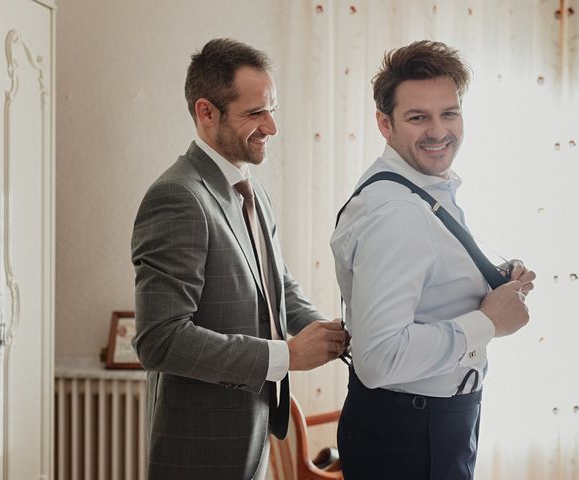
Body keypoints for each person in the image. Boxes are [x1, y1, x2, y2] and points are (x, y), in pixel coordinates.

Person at [131, 38, 347, 480]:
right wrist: (285, 355)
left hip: (253, 438)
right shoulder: (177, 197)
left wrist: (337, 333)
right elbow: (161, 340)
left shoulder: (253, 191)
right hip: (200, 452)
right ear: (206, 112)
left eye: (273, 110)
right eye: (254, 113)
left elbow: (278, 289)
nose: (271, 126)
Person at [330, 40, 536, 479]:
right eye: (418, 117)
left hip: (428, 426)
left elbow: (429, 281)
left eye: (449, 113)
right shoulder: (398, 214)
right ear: (384, 125)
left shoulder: (421, 188)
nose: (439, 131)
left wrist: (490, 283)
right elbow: (379, 357)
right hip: (412, 437)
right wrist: (488, 323)